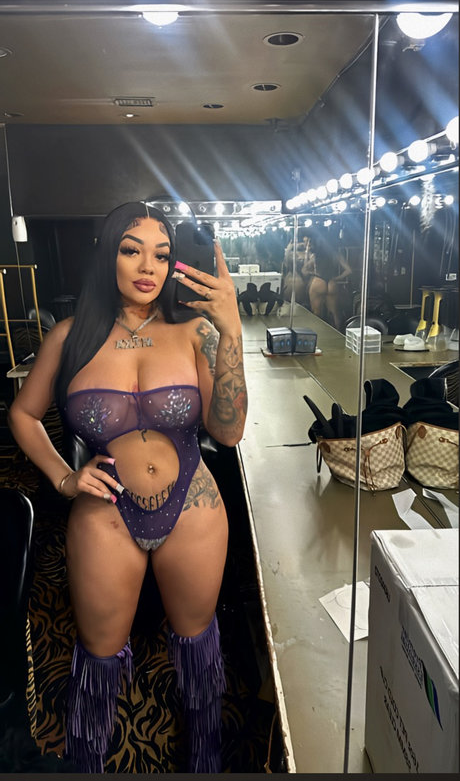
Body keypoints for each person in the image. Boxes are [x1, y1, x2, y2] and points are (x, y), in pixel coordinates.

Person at [7, 201, 247, 774]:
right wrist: (65, 476)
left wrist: (231, 329)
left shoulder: (194, 332)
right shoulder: (69, 336)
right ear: (106, 255)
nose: (148, 267)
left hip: (193, 506)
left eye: (161, 255)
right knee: (97, 658)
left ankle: (205, 761)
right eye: (131, 250)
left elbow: (229, 431)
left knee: (197, 648)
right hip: (104, 512)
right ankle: (86, 766)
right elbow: (23, 413)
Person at [302, 230, 352, 330]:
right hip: (332, 283)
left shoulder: (316, 254)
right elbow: (349, 270)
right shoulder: (335, 254)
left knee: (316, 313)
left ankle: (318, 334)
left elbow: (304, 271)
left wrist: (311, 271)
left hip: (318, 281)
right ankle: (338, 333)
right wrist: (337, 278)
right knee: (335, 313)